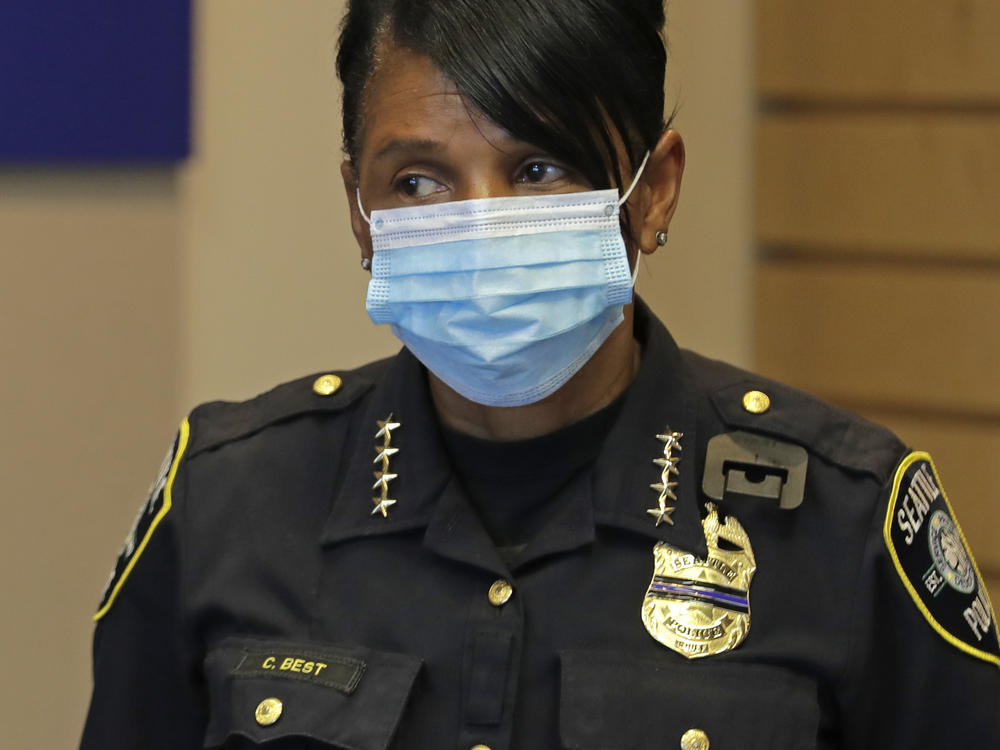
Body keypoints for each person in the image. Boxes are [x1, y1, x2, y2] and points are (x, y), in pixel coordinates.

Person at [81, 1, 1000, 747]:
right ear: (359, 211)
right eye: (418, 183)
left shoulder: (840, 521)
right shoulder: (229, 499)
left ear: (653, 191)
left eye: (539, 166)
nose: (482, 227)